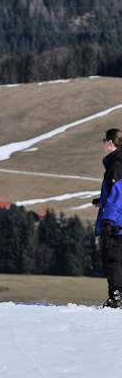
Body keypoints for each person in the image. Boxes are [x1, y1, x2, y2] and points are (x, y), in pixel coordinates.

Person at [95, 128, 122, 308]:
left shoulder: (116, 164)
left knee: (112, 259)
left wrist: (108, 221)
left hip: (117, 223)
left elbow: (118, 194)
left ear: (110, 142)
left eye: (104, 140)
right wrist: (101, 200)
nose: (103, 143)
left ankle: (116, 298)